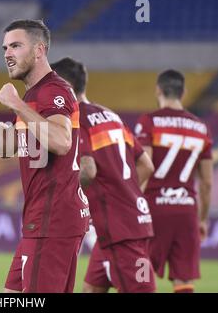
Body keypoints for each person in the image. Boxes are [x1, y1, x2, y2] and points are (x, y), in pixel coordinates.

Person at [0, 20, 89, 293]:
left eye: (16, 46)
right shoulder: (34, 95)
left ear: (39, 51)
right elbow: (7, 146)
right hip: (41, 220)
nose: (7, 53)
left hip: (53, 220)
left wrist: (16, 104)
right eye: (5, 47)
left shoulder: (53, 90)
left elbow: (61, 141)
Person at [51, 57, 156, 293]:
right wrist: (123, 193)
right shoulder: (111, 116)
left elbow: (87, 170)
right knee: (91, 289)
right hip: (124, 222)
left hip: (118, 229)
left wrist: (57, 194)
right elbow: (146, 165)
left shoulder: (77, 120)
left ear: (64, 86)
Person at [135, 69, 213, 293]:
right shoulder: (201, 128)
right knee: (184, 280)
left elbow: (145, 166)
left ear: (158, 90)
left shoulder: (149, 122)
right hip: (187, 211)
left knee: (141, 273)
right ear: (184, 92)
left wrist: (133, 207)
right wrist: (202, 219)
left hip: (153, 209)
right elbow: (207, 183)